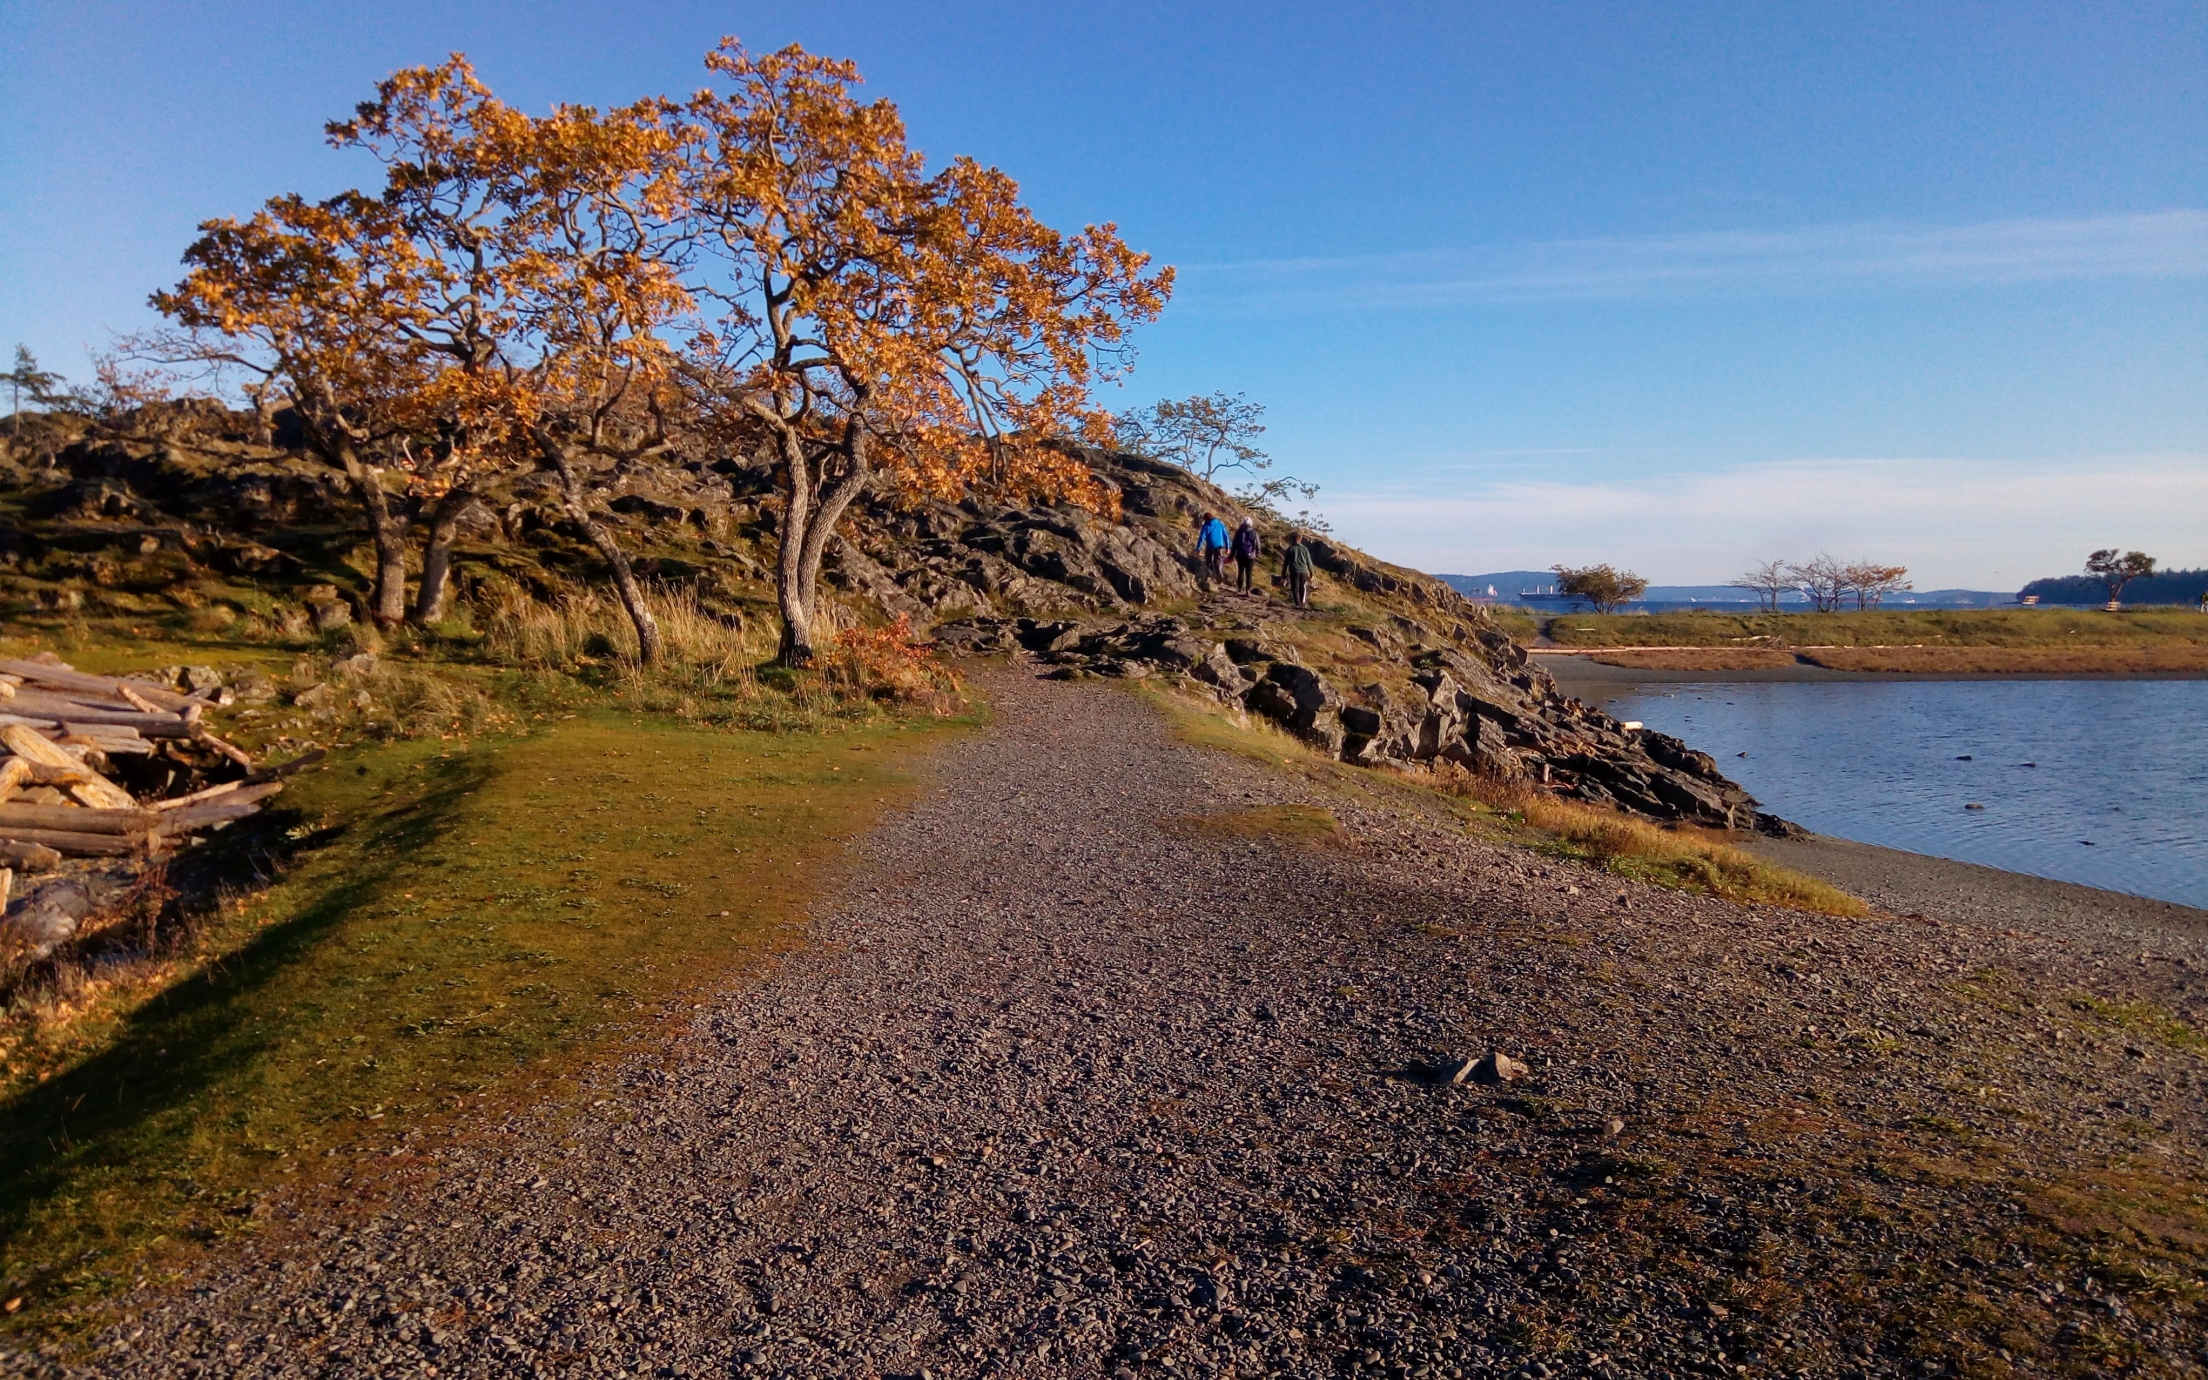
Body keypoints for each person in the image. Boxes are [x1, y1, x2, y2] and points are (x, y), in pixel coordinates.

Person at [1195, 511, 1230, 586]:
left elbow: (1201, 538)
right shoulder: (1220, 523)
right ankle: (1218, 574)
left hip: (1210, 545)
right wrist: (1228, 547)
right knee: (1217, 562)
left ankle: (1210, 576)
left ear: (1206, 519)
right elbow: (1226, 535)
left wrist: (1198, 549)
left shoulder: (1206, 526)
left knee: (1208, 561)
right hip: (1219, 546)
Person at [1282, 528, 1315, 608]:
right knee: (1302, 587)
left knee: (1294, 588)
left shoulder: (1290, 549)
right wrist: (1312, 573)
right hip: (1303, 571)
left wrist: (1283, 574)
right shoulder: (1304, 549)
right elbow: (1309, 562)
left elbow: (1285, 563)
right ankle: (1302, 604)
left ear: (1292, 540)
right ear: (1300, 539)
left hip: (1293, 571)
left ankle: (1297, 604)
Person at [1230, 516, 1261, 593]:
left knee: (1240, 572)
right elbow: (1258, 544)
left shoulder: (1239, 532)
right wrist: (1258, 553)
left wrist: (1232, 554)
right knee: (1249, 573)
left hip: (1240, 554)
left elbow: (1234, 544)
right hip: (1251, 556)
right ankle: (1248, 590)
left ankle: (1239, 589)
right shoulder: (1254, 532)